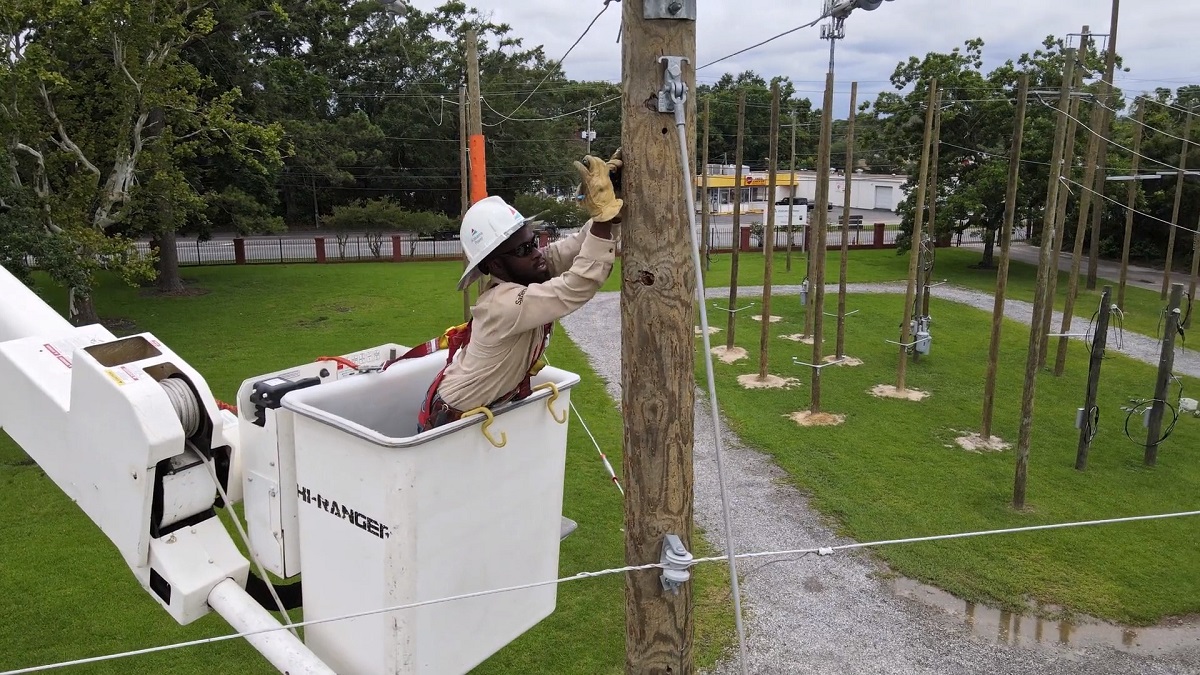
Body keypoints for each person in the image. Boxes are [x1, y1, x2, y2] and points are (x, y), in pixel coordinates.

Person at [415, 150, 624, 432]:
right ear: (497, 264)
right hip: (451, 422)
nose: (537, 252)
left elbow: (573, 248)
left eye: (534, 241)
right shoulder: (503, 304)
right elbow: (575, 286)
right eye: (525, 249)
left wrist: (612, 204)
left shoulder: (524, 273)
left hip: (477, 411)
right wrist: (602, 219)